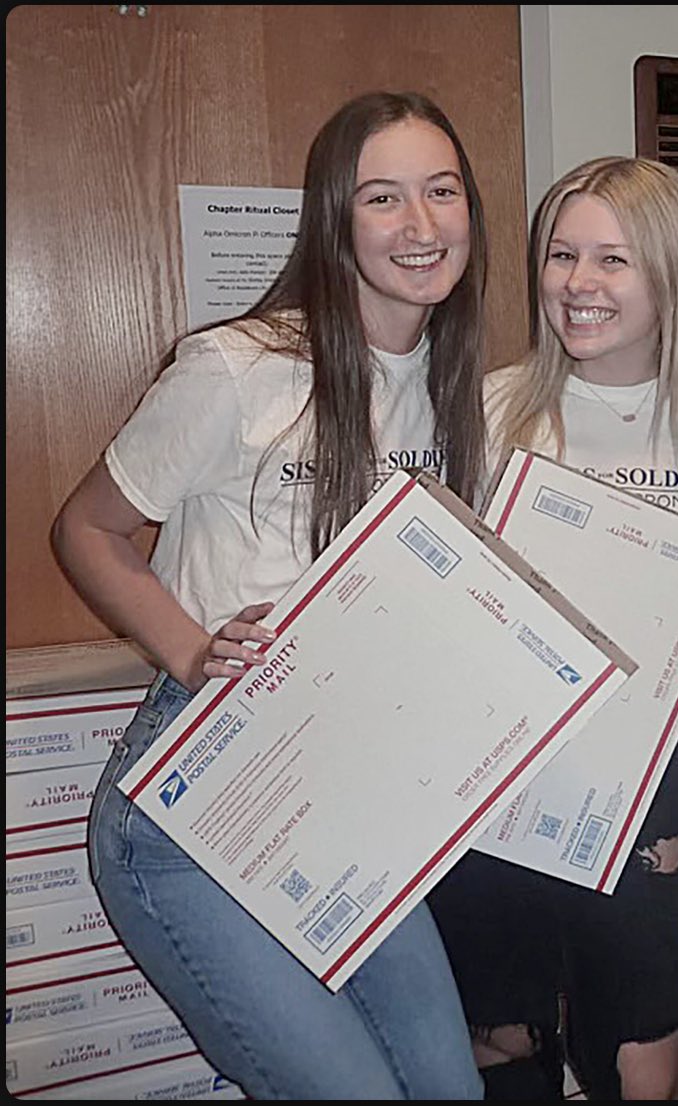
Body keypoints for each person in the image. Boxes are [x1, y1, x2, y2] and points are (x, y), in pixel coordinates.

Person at [49, 90, 489, 1100]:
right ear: (335, 216)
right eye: (384, 197)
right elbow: (86, 527)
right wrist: (194, 650)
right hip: (195, 807)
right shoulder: (241, 366)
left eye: (442, 191)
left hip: (344, 801)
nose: (421, 226)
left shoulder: (459, 388)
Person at [427, 156, 678, 1101]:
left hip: (645, 784)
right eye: (561, 255)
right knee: (501, 1043)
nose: (579, 283)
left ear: (665, 277)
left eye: (612, 260)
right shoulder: (488, 408)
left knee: (644, 1050)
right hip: (495, 778)